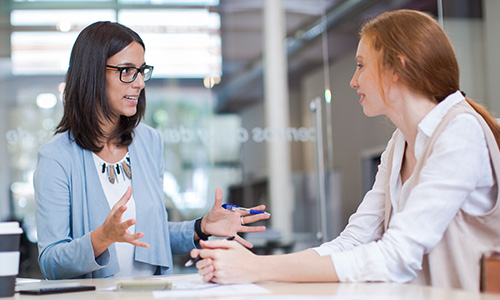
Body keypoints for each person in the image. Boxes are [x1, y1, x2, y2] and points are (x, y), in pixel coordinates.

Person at [190, 9, 500, 291]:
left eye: (361, 66)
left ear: (398, 69)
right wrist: (244, 265)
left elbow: (396, 255)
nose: (353, 81)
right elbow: (352, 241)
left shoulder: (461, 132)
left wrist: (256, 267)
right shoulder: (399, 143)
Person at [33, 21, 270, 280]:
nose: (139, 83)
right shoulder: (57, 157)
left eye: (141, 71)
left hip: (153, 292)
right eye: (126, 71)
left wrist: (201, 227)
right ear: (91, 73)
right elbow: (50, 262)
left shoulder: (148, 141)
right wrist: (101, 238)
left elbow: (152, 235)